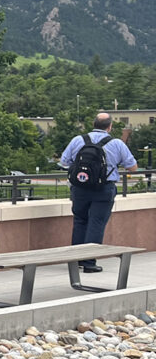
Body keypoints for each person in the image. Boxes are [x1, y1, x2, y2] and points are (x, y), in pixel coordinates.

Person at [59, 113, 139, 273]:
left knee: (80, 221)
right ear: (110, 127)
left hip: (80, 188)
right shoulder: (116, 143)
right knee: (96, 223)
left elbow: (64, 162)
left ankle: (76, 261)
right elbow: (133, 167)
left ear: (93, 124)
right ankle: (89, 262)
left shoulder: (78, 140)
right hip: (103, 189)